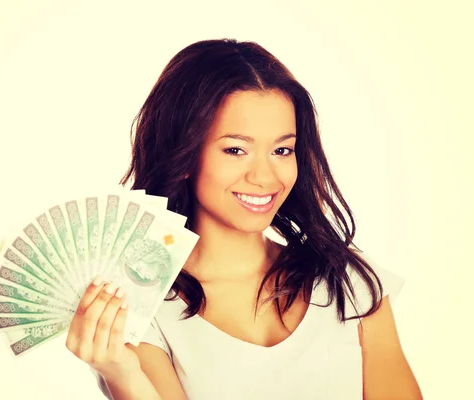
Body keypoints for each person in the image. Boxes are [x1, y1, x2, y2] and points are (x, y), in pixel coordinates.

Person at [65, 38, 423, 399]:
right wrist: (122, 373)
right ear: (185, 154)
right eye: (236, 149)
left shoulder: (349, 280)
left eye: (282, 150)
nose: (266, 177)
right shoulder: (145, 306)